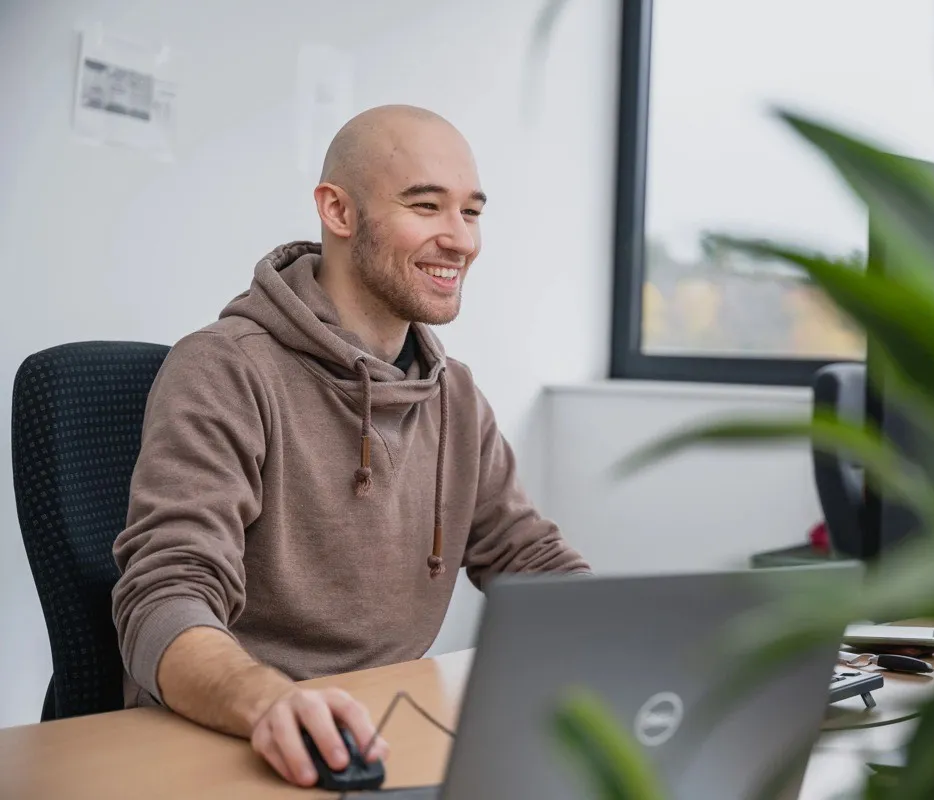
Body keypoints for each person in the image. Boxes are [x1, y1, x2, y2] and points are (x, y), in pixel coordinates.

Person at [110, 104, 590, 788]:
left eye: (472, 212)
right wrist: (269, 700)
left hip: (384, 733)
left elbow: (528, 556)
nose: (460, 239)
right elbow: (165, 593)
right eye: (426, 206)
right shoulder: (225, 369)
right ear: (338, 211)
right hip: (232, 738)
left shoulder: (454, 395)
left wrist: (634, 653)